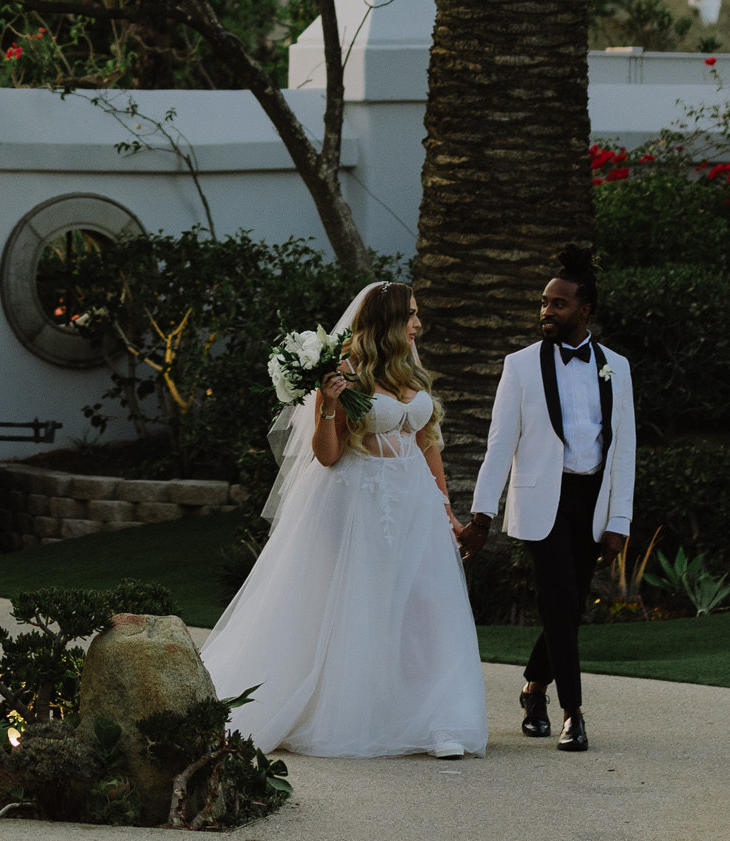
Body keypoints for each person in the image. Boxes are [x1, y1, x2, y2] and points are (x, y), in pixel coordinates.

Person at [201, 279, 488, 761]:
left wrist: (447, 511)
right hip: (358, 500)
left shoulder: (411, 370)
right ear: (387, 322)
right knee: (361, 607)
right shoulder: (343, 372)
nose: (419, 323)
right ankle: (354, 715)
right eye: (411, 315)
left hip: (414, 500)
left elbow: (427, 443)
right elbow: (328, 456)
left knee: (427, 605)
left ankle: (439, 719)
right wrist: (329, 407)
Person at [457, 246, 635, 754]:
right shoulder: (519, 366)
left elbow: (625, 448)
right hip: (543, 503)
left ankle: (533, 689)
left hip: (591, 502)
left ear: (585, 310)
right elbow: (499, 443)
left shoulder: (616, 367)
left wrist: (618, 518)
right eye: (543, 303)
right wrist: (483, 515)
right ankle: (572, 713)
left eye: (558, 304)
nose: (546, 311)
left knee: (569, 607)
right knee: (559, 601)